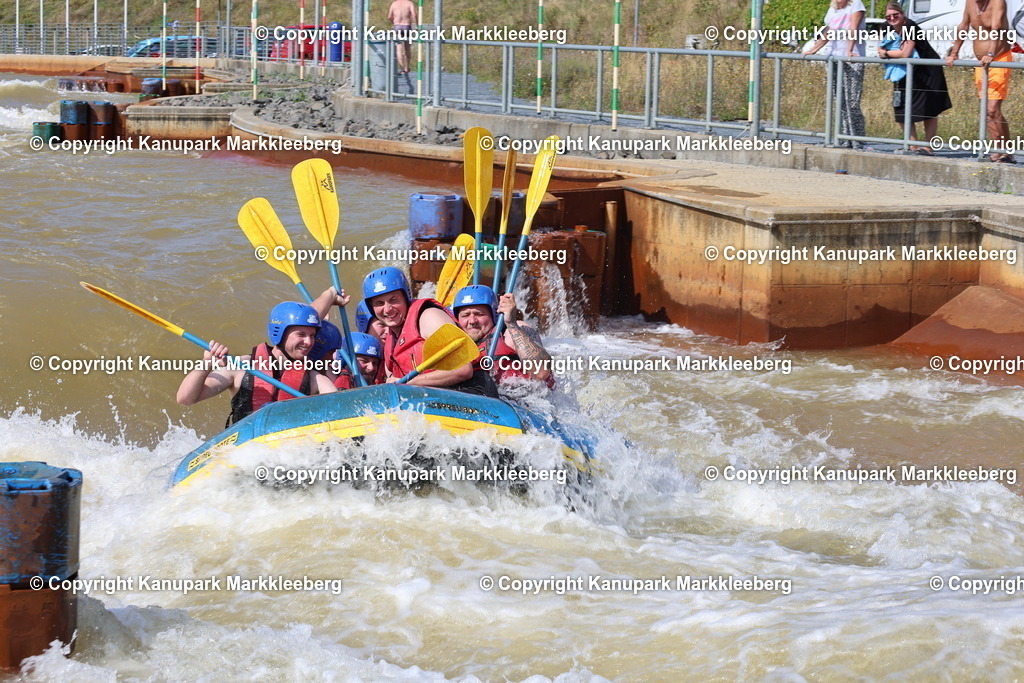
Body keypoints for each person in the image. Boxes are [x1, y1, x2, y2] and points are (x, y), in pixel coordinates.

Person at [176, 302, 337, 425]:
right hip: (245, 452)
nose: (308, 342)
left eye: (312, 335)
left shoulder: (315, 378)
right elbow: (185, 399)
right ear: (279, 333)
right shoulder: (242, 366)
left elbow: (338, 407)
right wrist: (207, 363)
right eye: (301, 334)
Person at [363, 266, 497, 396]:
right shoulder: (389, 343)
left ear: (406, 298)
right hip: (431, 398)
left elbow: (463, 369)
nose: (387, 309)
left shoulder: (428, 317)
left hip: (472, 392)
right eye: (379, 303)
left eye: (394, 300)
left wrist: (410, 383)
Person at [946, 0, 1015, 163]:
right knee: (988, 110)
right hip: (980, 63)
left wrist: (991, 53)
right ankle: (1001, 151)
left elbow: (996, 28)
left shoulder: (998, 2)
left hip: (999, 58)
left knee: (992, 109)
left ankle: (1005, 151)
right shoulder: (970, 3)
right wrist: (954, 52)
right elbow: (963, 26)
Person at [878, 3, 952, 155]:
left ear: (902, 13)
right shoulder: (885, 27)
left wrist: (886, 53)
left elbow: (905, 53)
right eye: (888, 16)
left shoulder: (910, 26)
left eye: (895, 15)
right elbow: (882, 47)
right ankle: (912, 145)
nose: (892, 18)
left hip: (927, 71)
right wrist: (889, 52)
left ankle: (928, 147)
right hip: (903, 71)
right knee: (901, 110)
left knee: (928, 110)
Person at [452, 285, 554, 387]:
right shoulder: (456, 344)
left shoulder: (511, 332)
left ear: (493, 315)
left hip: (522, 399)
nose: (472, 321)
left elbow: (541, 372)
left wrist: (511, 323)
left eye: (479, 314)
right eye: (465, 315)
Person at [804, 0, 868, 150]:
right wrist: (814, 49)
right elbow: (829, 32)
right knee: (839, 100)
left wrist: (850, 49)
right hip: (834, 57)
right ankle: (844, 138)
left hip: (852, 58)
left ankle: (857, 139)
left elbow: (854, 27)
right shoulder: (833, 9)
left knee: (852, 100)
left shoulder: (856, 5)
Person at [387, 0, 416, 74]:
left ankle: (402, 67)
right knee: (407, 48)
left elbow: (389, 16)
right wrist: (417, 24)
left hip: (397, 26)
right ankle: (407, 67)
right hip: (406, 26)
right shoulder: (409, 3)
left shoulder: (394, 4)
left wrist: (394, 22)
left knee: (399, 48)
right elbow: (414, 14)